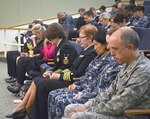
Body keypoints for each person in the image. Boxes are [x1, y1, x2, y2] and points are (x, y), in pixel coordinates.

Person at [5, 23, 96, 119]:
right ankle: (23, 109)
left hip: (72, 81)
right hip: (67, 76)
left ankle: (30, 112)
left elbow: (77, 73)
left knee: (41, 83)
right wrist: (52, 73)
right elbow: (69, 67)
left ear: (90, 38)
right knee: (37, 79)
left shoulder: (87, 52)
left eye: (81, 37)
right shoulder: (85, 50)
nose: (78, 39)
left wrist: (58, 75)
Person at [63, 27, 150, 119]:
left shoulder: (143, 70)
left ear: (129, 47)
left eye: (115, 49)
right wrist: (87, 105)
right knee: (70, 109)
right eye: (110, 49)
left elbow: (120, 104)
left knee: (78, 116)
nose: (111, 53)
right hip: (117, 111)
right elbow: (108, 93)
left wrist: (88, 110)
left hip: (128, 115)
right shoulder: (127, 64)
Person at [47, 30, 122, 119]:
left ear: (105, 45)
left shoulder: (111, 62)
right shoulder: (98, 57)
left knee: (61, 101)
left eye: (96, 45)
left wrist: (83, 93)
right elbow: (87, 76)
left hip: (92, 95)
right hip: (87, 91)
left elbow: (101, 89)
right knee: (53, 95)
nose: (95, 48)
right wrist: (77, 84)